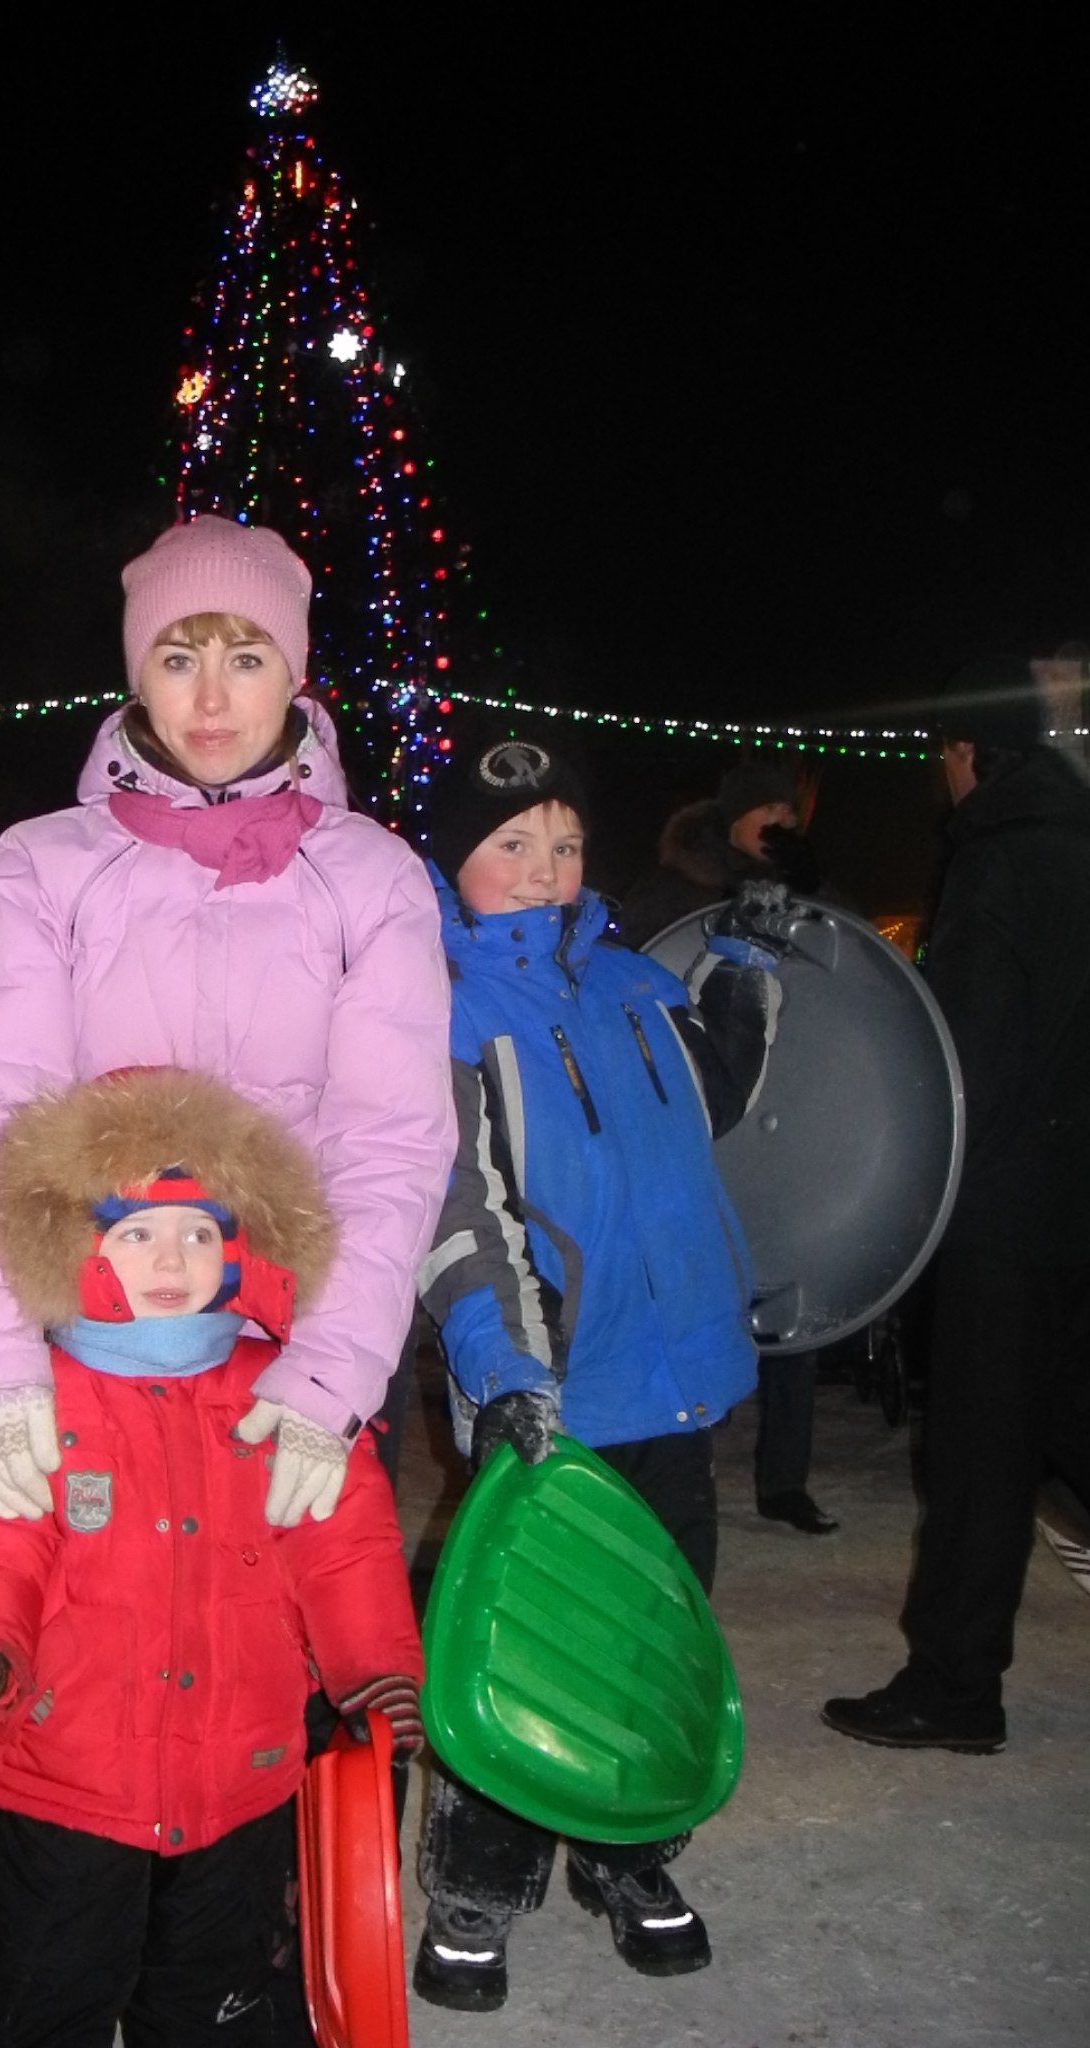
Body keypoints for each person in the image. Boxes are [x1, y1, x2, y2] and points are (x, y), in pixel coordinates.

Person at [0, 1065, 424, 2046]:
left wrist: (373, 1672)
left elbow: (343, 1547)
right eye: (136, 1233)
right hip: (70, 1781)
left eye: (199, 1232)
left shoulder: (284, 1398)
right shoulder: (30, 1399)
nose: (172, 1258)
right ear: (75, 1244)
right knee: (41, 1996)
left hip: (243, 1778)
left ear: (240, 1247)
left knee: (221, 2006)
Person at [0, 513, 455, 1529]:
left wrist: (330, 1372)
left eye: (246, 657)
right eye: (178, 658)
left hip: (286, 1349)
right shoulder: (46, 865)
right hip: (97, 1344)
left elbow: (390, 1143)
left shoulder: (371, 876)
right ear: (139, 674)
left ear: (294, 672)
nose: (211, 700)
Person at [409, 733, 788, 2012]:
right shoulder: (444, 1009)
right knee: (524, 1641)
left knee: (653, 1631)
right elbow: (460, 1209)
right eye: (512, 844)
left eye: (564, 843)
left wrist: (747, 968)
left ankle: (630, 1848)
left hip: (673, 1376)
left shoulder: (637, 980)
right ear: (453, 863)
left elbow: (713, 1101)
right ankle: (481, 1880)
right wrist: (508, 1365)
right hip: (554, 1390)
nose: (544, 867)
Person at [822, 653, 1090, 1754]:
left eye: (944, 752)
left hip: (1007, 1211)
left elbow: (963, 1059)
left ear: (971, 750)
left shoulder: (996, 858)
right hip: (1077, 1198)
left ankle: (954, 1683)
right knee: (1068, 1417)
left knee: (982, 1452)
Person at [618, 756, 839, 1537]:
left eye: (790, 812)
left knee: (789, 1300)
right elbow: (640, 973)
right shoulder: (677, 889)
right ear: (731, 818)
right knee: (691, 1297)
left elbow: (845, 975)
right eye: (765, 809)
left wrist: (814, 887)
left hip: (780, 1120)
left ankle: (786, 1480)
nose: (779, 822)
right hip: (698, 1124)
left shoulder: (807, 888)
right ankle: (685, 1463)